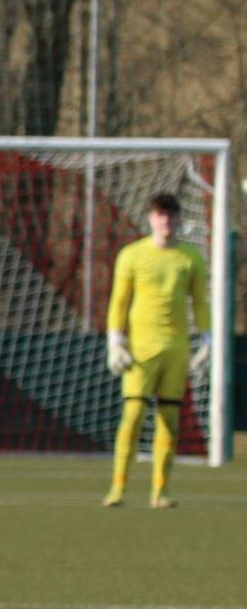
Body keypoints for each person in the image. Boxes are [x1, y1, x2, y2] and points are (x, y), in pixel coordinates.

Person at [103, 191, 209, 509]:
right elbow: (119, 301)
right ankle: (117, 488)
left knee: (170, 419)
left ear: (178, 219)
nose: (167, 221)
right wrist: (115, 341)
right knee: (133, 414)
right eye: (161, 215)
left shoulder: (190, 257)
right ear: (150, 218)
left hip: (176, 350)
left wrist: (208, 342)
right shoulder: (132, 255)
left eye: (172, 215)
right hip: (140, 349)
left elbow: (200, 303)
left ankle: (160, 491)